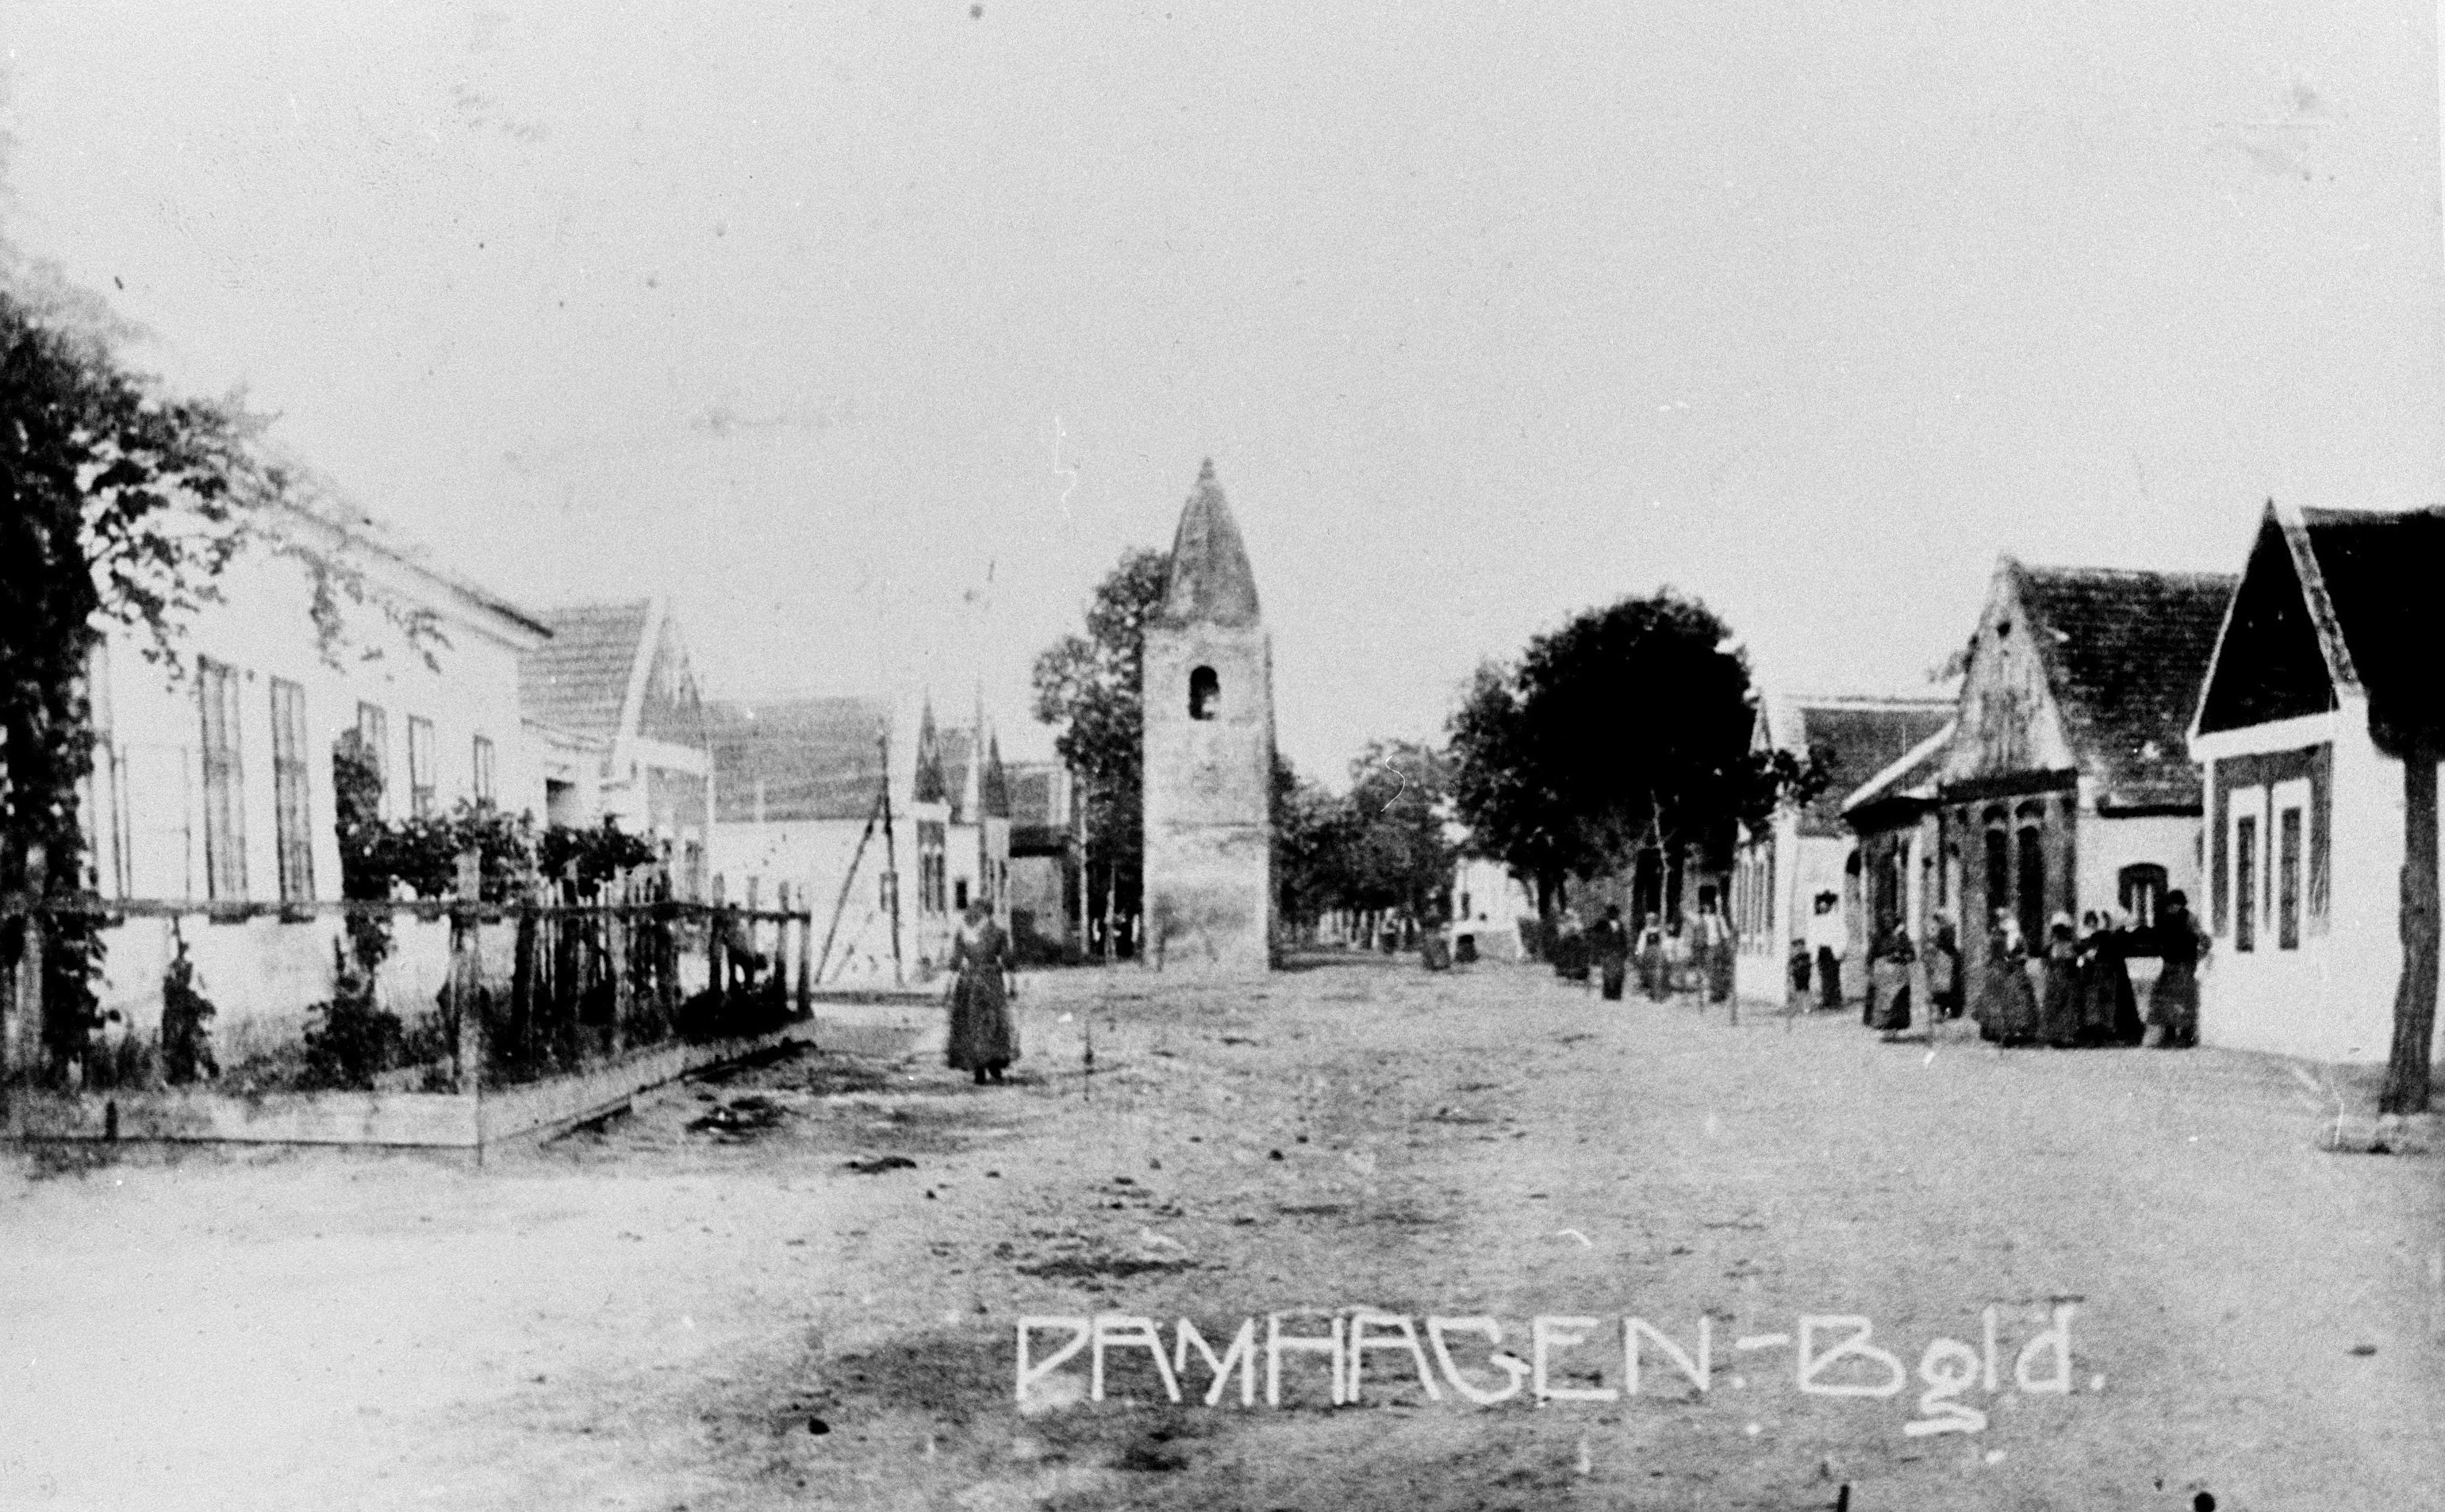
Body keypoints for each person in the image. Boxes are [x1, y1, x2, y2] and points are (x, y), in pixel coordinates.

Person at [946, 901, 1019, 1084]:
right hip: (984, 982)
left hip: (976, 982)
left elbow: (1007, 960)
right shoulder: (994, 932)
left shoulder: (986, 933)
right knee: (986, 1024)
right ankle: (985, 1065)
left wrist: (1012, 982)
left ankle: (987, 1065)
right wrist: (1012, 984)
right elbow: (956, 961)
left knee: (983, 1023)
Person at [2147, 890, 2207, 1048]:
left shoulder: (2168, 919)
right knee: (2180, 1000)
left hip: (2173, 965)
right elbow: (2203, 940)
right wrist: (2198, 956)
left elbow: (2159, 941)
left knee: (2172, 1001)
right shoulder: (2187, 918)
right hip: (2181, 965)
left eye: (2172, 905)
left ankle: (2174, 1035)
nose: (2171, 908)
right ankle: (2180, 1035)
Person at [1975, 908, 2040, 1045]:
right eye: (1998, 918)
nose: (2000, 921)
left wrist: (2016, 959)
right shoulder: (1995, 934)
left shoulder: (2016, 935)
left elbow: (2024, 953)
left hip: (2014, 971)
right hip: (1998, 969)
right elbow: (1991, 951)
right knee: (1996, 998)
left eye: (2002, 918)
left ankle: (2019, 1031)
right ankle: (1995, 1031)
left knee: (2017, 998)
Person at [2039, 912, 2082, 1047]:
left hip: (2064, 978)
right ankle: (2058, 1035)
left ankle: (2063, 1035)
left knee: (2065, 1006)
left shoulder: (2069, 945)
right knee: (2059, 1006)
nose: (2061, 933)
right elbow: (2045, 961)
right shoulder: (2055, 946)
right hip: (2060, 979)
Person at [1867, 923, 1916, 1039]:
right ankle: (1886, 1029)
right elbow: (1872, 954)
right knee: (1885, 1002)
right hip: (1884, 974)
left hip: (1899, 975)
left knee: (1897, 1003)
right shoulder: (1879, 936)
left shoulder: (1902, 935)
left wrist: (1901, 956)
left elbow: (1911, 954)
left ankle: (1894, 1029)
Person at [1806, 892, 1847, 1010]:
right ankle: (1826, 999)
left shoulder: (1836, 919)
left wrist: (1842, 949)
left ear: (1829, 906)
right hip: (1821, 950)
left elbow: (1843, 935)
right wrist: (1812, 950)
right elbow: (1812, 936)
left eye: (1825, 906)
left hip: (1832, 950)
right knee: (1824, 975)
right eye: (1821, 906)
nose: (1823, 908)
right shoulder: (1816, 920)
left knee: (1833, 975)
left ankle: (1835, 1000)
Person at [1694, 899, 1737, 1004]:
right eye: (1705, 905)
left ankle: (1718, 995)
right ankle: (1712, 994)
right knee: (1708, 972)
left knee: (1717, 971)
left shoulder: (1719, 919)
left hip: (1717, 947)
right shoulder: (1701, 919)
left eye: (1709, 905)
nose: (1707, 908)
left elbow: (1726, 935)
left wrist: (1727, 947)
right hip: (1706, 948)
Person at [1925, 910, 1963, 1020]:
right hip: (1945, 958)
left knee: (1949, 986)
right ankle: (1945, 1010)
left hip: (1947, 958)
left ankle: (1947, 1010)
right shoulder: (1944, 930)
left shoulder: (1947, 930)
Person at [1588, 905, 1630, 1000]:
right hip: (1607, 951)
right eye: (1611, 913)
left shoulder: (1620, 925)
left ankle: (1617, 993)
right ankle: (1608, 993)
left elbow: (1624, 939)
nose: (1613, 915)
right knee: (1607, 973)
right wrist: (1598, 950)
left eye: (1615, 913)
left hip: (1618, 952)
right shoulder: (1602, 924)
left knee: (1618, 972)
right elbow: (1595, 936)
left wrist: (1625, 951)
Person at [1637, 911, 1670, 1001]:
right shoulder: (1645, 932)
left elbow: (1664, 943)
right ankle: (1651, 993)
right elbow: (1641, 944)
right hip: (1648, 954)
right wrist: (1639, 954)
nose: (1651, 921)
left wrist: (1665, 954)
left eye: (1653, 919)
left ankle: (1658, 994)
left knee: (1658, 974)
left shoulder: (1660, 931)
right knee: (1648, 973)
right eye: (1649, 919)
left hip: (1658, 953)